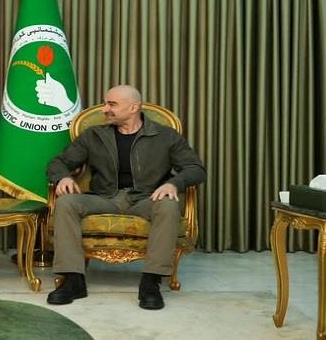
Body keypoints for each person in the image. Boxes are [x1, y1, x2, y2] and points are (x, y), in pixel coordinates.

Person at [46, 85, 206, 309]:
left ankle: (151, 282)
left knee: (168, 205)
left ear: (134, 107)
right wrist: (63, 177)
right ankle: (73, 280)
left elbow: (196, 169)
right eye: (105, 103)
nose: (104, 109)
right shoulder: (94, 135)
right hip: (104, 198)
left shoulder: (165, 136)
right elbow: (58, 162)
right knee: (66, 202)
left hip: (146, 199)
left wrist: (173, 183)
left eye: (112, 104)